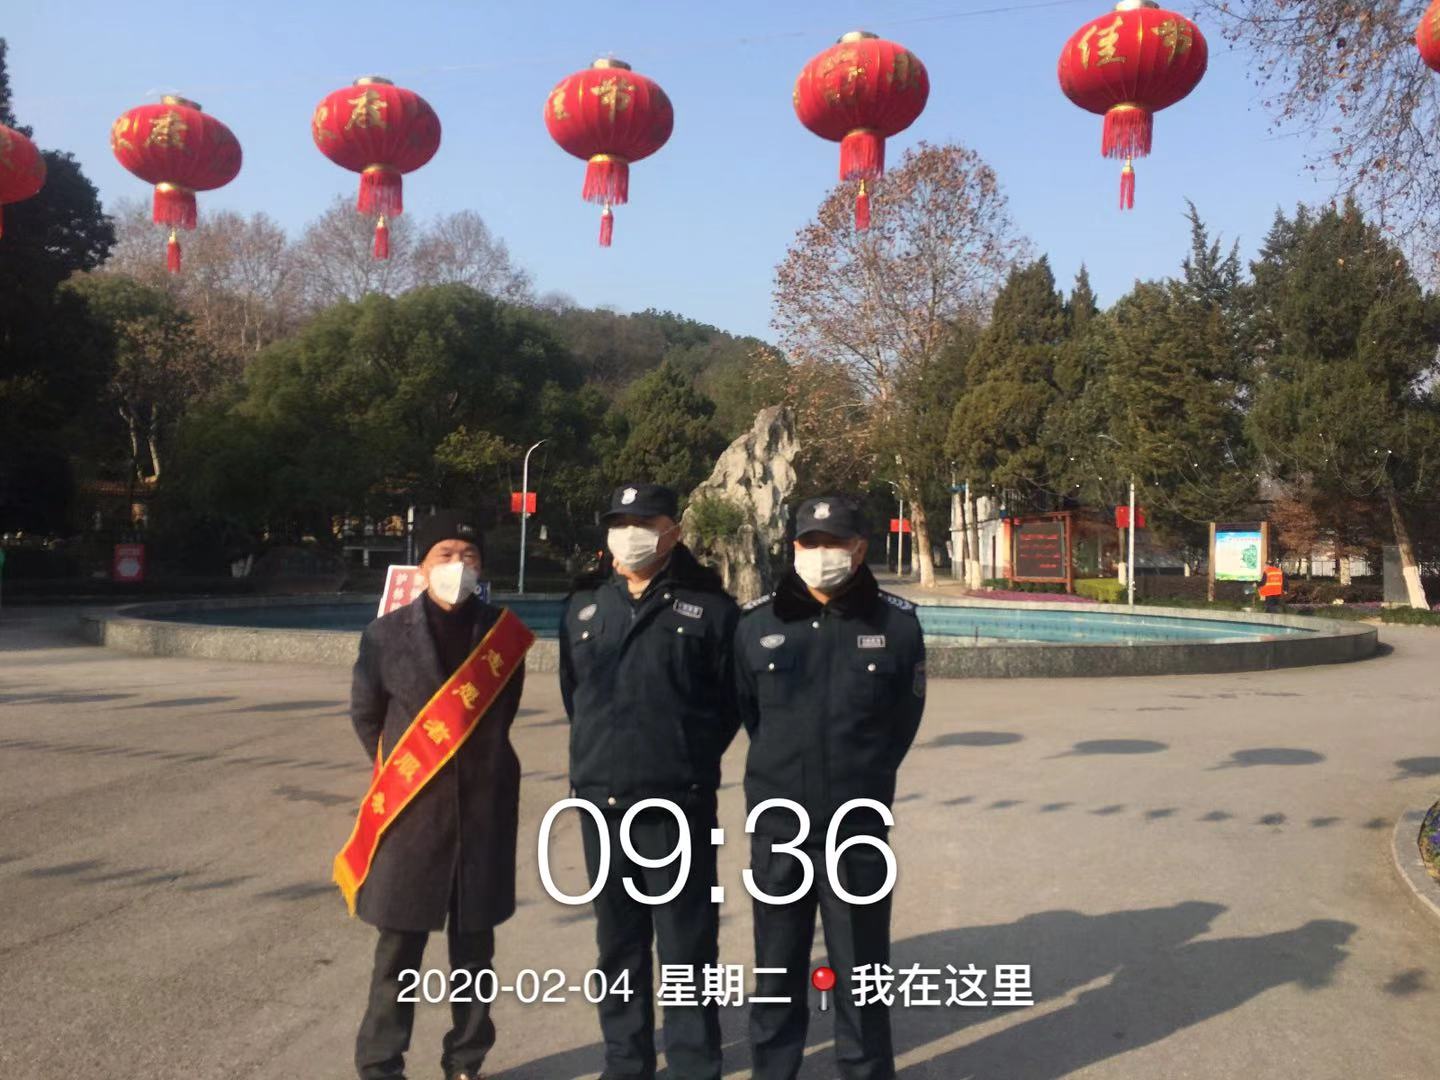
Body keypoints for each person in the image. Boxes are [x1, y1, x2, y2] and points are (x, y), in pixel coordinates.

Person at [735, 496, 926, 1080]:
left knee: (862, 969)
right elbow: (751, 716)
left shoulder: (896, 624)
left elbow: (902, 722)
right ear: (794, 547)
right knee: (776, 967)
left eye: (835, 542)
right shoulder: (756, 623)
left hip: (855, 829)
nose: (822, 553)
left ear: (859, 548)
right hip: (779, 828)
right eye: (810, 542)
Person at [340, 510, 532, 1080]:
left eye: (468, 556)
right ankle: (380, 1063)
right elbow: (367, 715)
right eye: (445, 554)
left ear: (482, 568)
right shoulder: (384, 635)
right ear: (422, 566)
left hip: (483, 812)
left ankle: (466, 1060)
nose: (457, 565)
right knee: (398, 950)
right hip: (410, 811)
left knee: (475, 952)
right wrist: (408, 770)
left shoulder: (503, 636)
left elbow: (502, 716)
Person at [559, 482, 740, 1080]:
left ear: (673, 532)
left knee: (687, 944)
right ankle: (626, 1062)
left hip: (676, 806)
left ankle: (694, 1064)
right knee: (618, 943)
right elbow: (575, 697)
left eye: (645, 522)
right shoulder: (584, 606)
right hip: (601, 803)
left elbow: (729, 706)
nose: (630, 533)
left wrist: (684, 759)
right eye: (620, 522)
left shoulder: (711, 610)